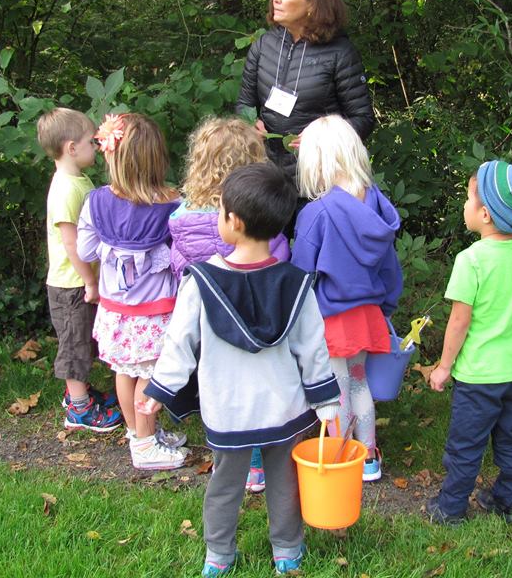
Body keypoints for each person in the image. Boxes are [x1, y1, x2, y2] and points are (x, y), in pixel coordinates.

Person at [140, 162, 340, 577]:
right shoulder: (296, 283)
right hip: (284, 410)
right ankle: (287, 550)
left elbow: (180, 344)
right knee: (284, 483)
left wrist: (158, 391)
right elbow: (313, 349)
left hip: (227, 410)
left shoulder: (201, 282)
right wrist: (326, 402)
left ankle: (219, 555)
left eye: (219, 211)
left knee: (224, 484)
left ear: (233, 220)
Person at [426, 161, 512, 524]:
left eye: (469, 198)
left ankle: (451, 508)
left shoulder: (470, 260)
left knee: (466, 446)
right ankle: (508, 501)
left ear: (485, 213)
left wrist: (443, 367)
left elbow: (460, 320)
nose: (465, 204)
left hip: (477, 376)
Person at [168, 115, 290, 493]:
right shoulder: (252, 222)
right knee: (255, 388)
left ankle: (228, 452)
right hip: (253, 319)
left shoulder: (181, 216)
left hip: (206, 321)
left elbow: (178, 269)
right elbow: (277, 262)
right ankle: (257, 464)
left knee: (220, 387)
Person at [290, 115, 403, 482]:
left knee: (336, 389)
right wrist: (385, 307)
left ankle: (342, 457)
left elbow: (301, 273)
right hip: (368, 313)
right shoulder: (377, 207)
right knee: (359, 383)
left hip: (333, 318)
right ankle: (368, 457)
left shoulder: (316, 213)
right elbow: (390, 271)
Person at [76, 113, 187, 470]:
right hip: (154, 312)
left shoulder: (95, 201)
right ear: (157, 158)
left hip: (114, 311)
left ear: (112, 155)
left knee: (125, 373)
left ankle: (139, 432)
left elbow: (85, 251)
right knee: (148, 377)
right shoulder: (171, 204)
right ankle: (144, 445)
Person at [236, 0, 374, 182]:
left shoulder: (340, 53)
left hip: (318, 179)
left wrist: (323, 138)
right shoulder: (264, 45)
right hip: (266, 178)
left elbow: (363, 119)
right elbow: (244, 104)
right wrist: (250, 124)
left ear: (312, 2)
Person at [37, 107, 122, 432]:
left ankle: (81, 394)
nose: (97, 146)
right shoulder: (65, 189)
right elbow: (72, 244)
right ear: (71, 148)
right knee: (74, 344)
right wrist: (90, 280)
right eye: (90, 142)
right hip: (71, 284)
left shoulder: (78, 179)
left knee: (84, 340)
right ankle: (78, 407)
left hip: (81, 280)